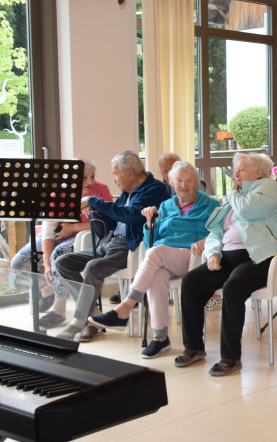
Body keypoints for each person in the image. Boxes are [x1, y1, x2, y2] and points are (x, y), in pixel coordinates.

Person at [174, 152, 277, 376]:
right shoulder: (233, 197)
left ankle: (230, 358)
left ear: (259, 172)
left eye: (242, 169)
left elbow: (246, 210)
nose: (236, 173)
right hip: (228, 256)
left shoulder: (268, 189)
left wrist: (232, 193)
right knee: (191, 281)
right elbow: (215, 231)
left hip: (262, 256)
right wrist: (213, 253)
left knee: (233, 287)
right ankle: (193, 347)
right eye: (236, 169)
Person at [87, 161, 219, 358]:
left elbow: (220, 232)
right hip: (163, 257)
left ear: (196, 182)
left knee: (156, 253)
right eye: (179, 180)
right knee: (157, 275)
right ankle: (160, 338)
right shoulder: (166, 206)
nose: (184, 185)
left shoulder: (210, 204)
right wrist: (149, 223)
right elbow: (150, 241)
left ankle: (126, 306)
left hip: (192, 256)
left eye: (189, 180)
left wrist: (204, 240)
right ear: (171, 183)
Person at [54, 151, 169, 342]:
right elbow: (115, 220)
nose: (114, 179)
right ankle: (93, 316)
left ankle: (79, 321)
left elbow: (132, 215)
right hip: (112, 243)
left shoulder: (155, 189)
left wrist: (94, 201)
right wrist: (97, 212)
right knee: (63, 262)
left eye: (116, 174)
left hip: (132, 247)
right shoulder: (127, 191)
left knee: (94, 267)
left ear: (129, 173)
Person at [17, 158, 112, 324]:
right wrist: (47, 266)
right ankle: (47, 288)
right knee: (19, 263)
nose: (90, 181)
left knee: (59, 254)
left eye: (92, 176)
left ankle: (58, 310)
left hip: (85, 236)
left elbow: (109, 223)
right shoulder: (58, 195)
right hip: (58, 235)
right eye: (84, 177)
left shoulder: (100, 189)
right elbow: (48, 232)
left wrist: (73, 227)